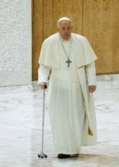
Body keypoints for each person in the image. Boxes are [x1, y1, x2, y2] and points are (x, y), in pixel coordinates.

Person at [37, 16, 98, 159]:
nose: (66, 31)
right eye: (63, 28)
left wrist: (92, 82)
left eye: (68, 28)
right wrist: (42, 80)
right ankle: (63, 149)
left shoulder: (81, 41)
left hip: (78, 85)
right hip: (58, 85)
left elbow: (90, 64)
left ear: (72, 28)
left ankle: (75, 148)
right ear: (58, 29)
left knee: (76, 116)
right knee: (60, 118)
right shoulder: (50, 42)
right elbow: (44, 66)